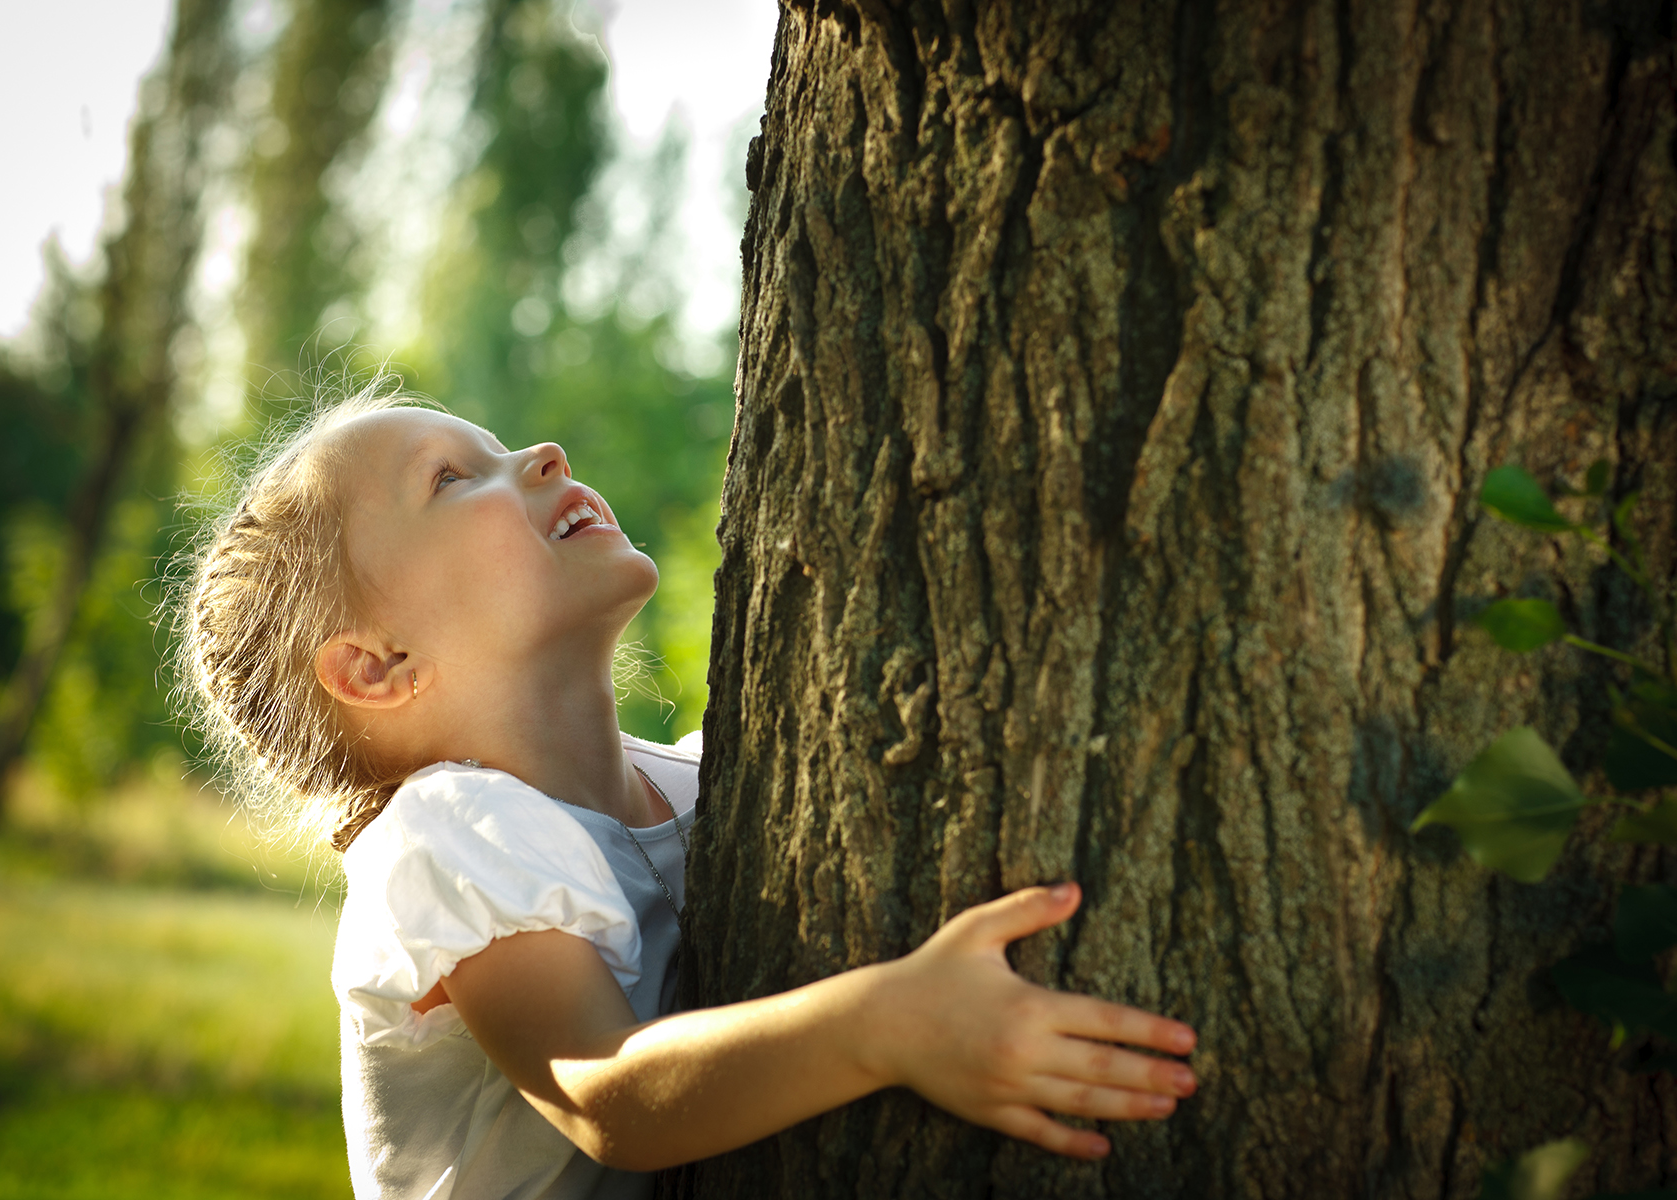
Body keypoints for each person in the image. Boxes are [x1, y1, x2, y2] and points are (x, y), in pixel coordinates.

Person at [177, 387, 1198, 1199]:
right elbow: (608, 1097)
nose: (541, 455)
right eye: (453, 479)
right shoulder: (448, 842)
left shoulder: (711, 776)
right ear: (379, 665)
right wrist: (891, 1025)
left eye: (495, 445)